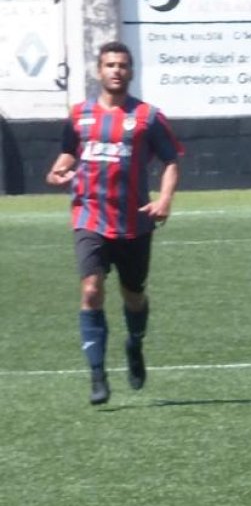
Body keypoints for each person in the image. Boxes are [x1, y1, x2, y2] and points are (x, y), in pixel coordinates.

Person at [45, 41, 183, 405]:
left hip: (134, 222)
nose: (116, 70)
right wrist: (59, 172)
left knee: (133, 295)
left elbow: (171, 160)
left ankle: (134, 344)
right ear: (99, 71)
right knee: (91, 289)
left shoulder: (148, 117)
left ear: (131, 71)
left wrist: (165, 200)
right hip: (89, 215)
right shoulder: (79, 116)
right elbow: (67, 155)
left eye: (122, 65)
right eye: (110, 64)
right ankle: (97, 374)